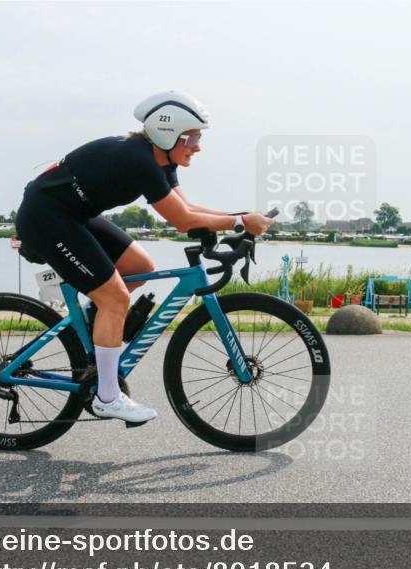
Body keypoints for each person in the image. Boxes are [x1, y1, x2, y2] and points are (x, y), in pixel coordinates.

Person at [15, 91, 274, 424]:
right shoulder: (139, 160)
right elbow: (183, 222)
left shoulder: (159, 160)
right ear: (169, 134)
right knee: (115, 299)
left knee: (140, 267)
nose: (198, 145)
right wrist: (240, 222)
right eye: (192, 137)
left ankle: (92, 328)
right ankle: (107, 396)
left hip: (71, 214)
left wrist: (240, 216)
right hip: (46, 218)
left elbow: (188, 208)